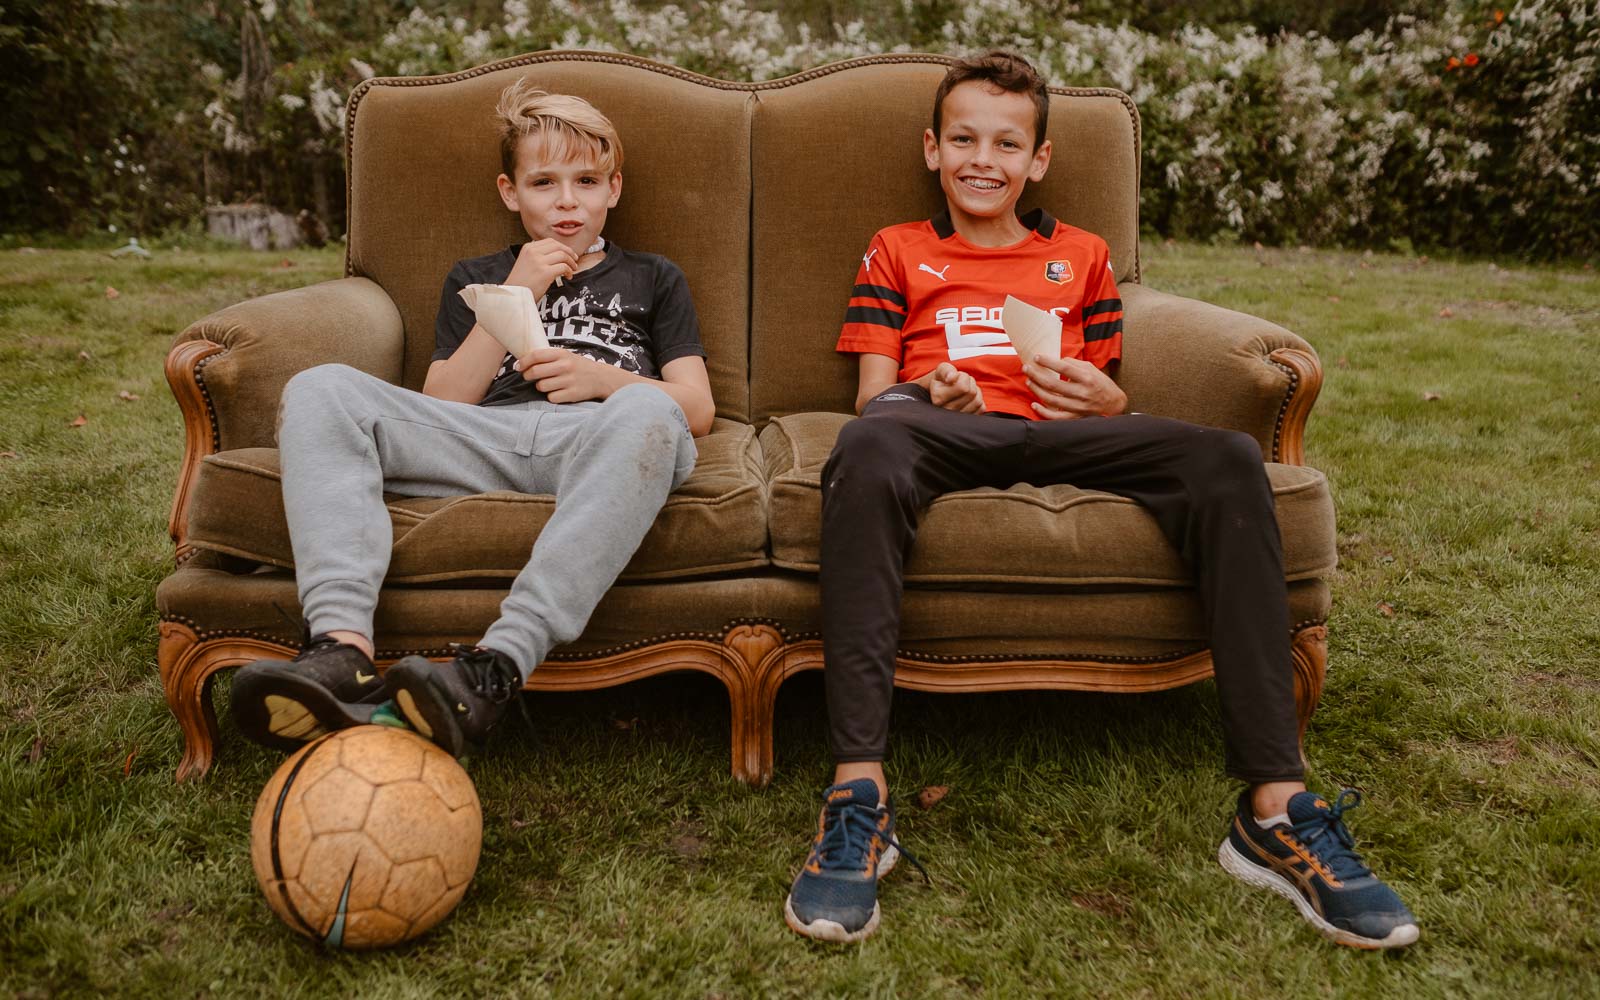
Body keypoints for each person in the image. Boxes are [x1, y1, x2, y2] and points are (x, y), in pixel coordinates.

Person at [782, 50, 1418, 950]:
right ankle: (859, 798)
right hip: (942, 432)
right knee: (870, 442)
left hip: (1067, 432)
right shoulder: (899, 249)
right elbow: (871, 399)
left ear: (1037, 160)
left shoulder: (1081, 256)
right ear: (932, 148)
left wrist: (1109, 401)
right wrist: (930, 395)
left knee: (1229, 458)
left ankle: (1276, 808)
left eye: (1007, 143)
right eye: (962, 138)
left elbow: (1105, 384)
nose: (982, 159)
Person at [230, 80, 712, 759]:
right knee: (321, 389)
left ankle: (494, 669)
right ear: (510, 192)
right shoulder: (479, 277)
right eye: (544, 182)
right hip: (487, 436)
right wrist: (517, 293)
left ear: (615, 189)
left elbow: (696, 408)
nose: (567, 201)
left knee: (648, 408)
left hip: (606, 440)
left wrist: (603, 380)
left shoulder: (654, 277)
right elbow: (444, 401)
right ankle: (339, 650)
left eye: (586, 181)